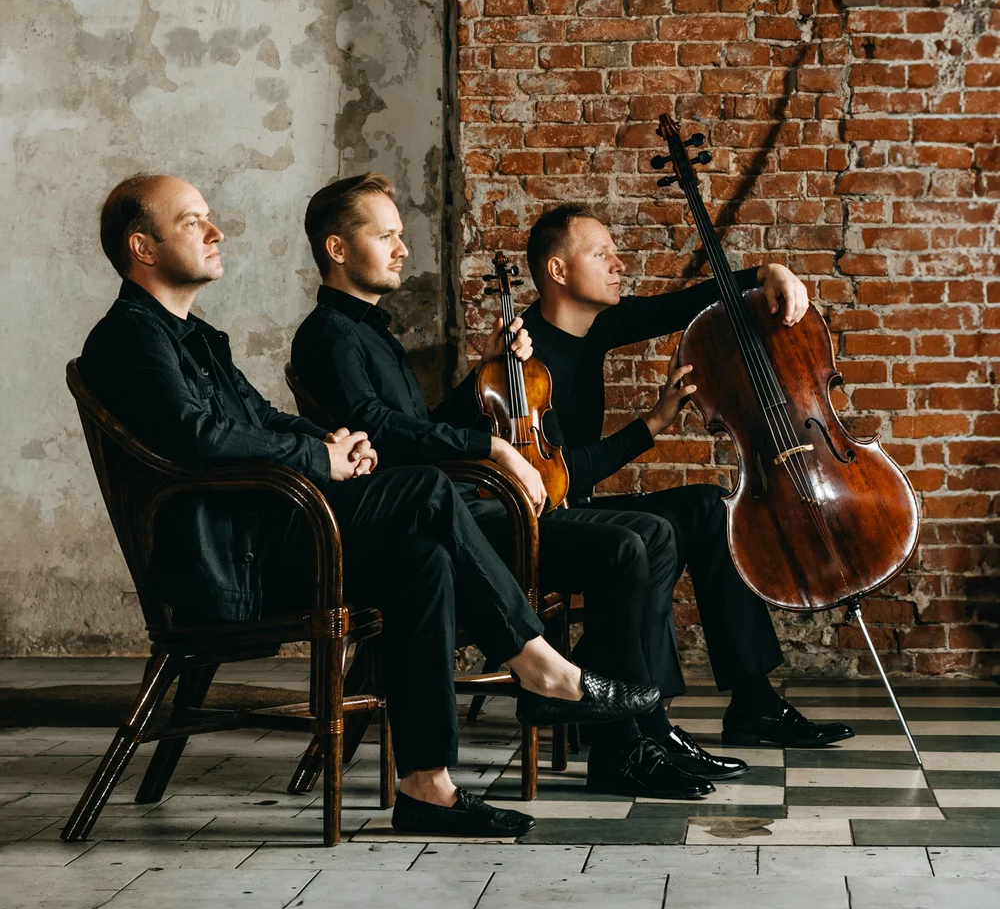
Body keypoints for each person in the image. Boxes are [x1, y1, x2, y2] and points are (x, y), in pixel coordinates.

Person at [78, 174, 659, 839]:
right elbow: (197, 437)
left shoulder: (196, 337)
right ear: (143, 248)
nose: (216, 232)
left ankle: (426, 789)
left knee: (422, 558)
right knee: (426, 490)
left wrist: (331, 442)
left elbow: (262, 419)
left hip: (265, 536)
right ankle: (540, 667)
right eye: (192, 222)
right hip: (231, 559)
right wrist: (317, 459)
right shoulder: (128, 337)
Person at [291, 172, 749, 800]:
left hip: (454, 510)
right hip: (434, 527)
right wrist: (494, 446)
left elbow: (420, 427)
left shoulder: (370, 332)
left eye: (400, 235)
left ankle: (640, 732)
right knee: (627, 545)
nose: (402, 249)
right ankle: (616, 740)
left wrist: (485, 372)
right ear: (338, 249)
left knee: (652, 535)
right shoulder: (329, 334)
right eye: (386, 236)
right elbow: (380, 431)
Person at [519, 203, 856, 749]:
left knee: (710, 509)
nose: (619, 264)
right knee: (653, 535)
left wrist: (766, 273)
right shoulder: (525, 357)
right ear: (558, 271)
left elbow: (682, 305)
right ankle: (640, 714)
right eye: (601, 254)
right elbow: (562, 474)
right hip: (546, 524)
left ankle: (753, 703)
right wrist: (654, 423)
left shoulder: (594, 327)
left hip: (578, 512)